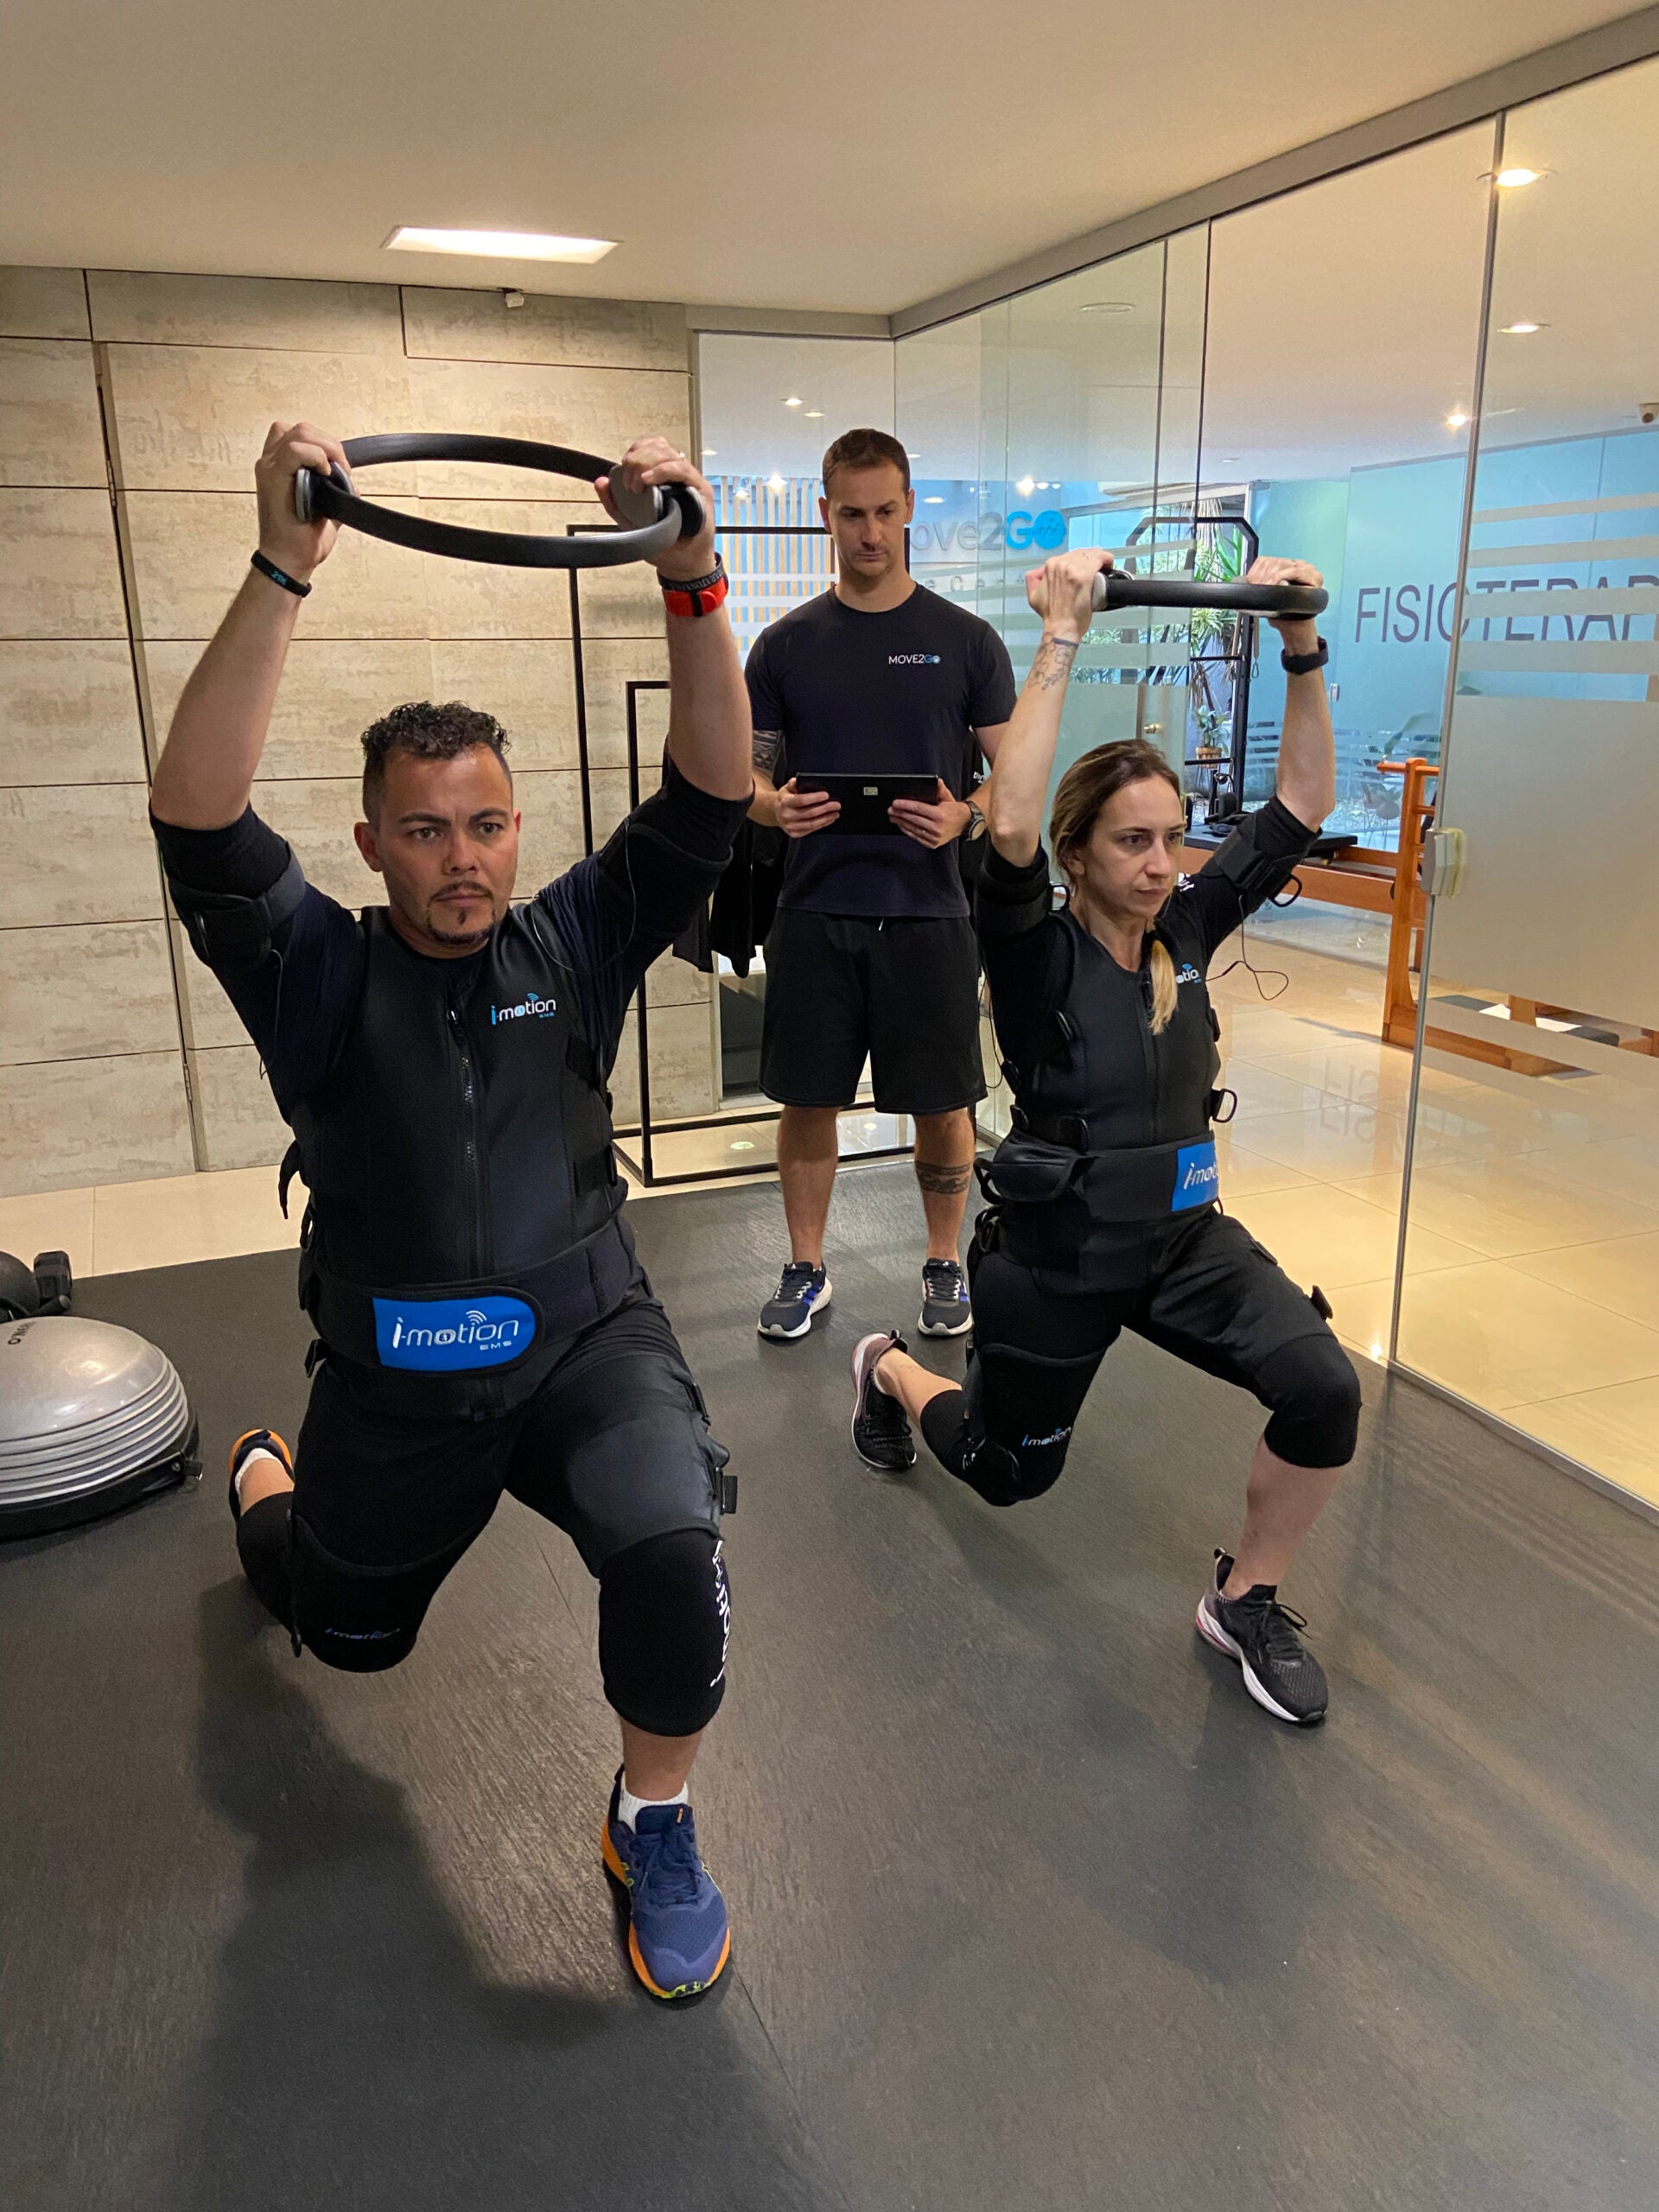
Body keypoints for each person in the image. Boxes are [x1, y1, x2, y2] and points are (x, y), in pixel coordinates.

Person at [149, 421, 753, 1999]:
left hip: (585, 1346)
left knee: (672, 1547)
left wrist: (693, 581)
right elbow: (196, 820)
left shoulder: (573, 943)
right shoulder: (316, 971)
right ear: (371, 844)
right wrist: (283, 564)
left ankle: (654, 1820)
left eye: (485, 825)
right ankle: (271, 1489)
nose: (462, 860)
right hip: (399, 1381)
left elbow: (710, 792)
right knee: (345, 1637)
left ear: (517, 830)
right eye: (424, 831)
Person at [847, 546, 1361, 1727]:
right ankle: (888, 1367)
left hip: (1184, 1241)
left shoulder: (1187, 927)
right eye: (1133, 841)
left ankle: (1244, 1599)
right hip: (1059, 1250)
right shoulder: (1033, 948)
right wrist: (1062, 634)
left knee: (1324, 1387)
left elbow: (1301, 803)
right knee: (1007, 1473)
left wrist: (1298, 643)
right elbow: (1008, 816)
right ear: (1078, 851)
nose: (1162, 863)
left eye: (1172, 836)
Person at [745, 428, 1016, 1343]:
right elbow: (745, 777)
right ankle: (805, 1266)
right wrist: (773, 808)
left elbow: (1013, 777)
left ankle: (944, 1262)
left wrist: (965, 815)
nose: (869, 532)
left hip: (930, 912)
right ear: (826, 514)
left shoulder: (965, 641)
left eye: (885, 512)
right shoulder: (784, 645)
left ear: (909, 511)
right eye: (852, 514)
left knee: (945, 1103)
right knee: (807, 1098)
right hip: (814, 908)